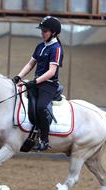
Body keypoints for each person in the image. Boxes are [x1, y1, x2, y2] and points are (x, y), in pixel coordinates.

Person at [13, 16, 63, 151]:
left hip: (49, 84)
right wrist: (18, 77)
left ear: (53, 32)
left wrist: (34, 82)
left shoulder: (56, 48)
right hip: (36, 82)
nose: (42, 33)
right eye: (41, 30)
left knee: (41, 107)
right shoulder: (40, 46)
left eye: (45, 31)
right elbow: (30, 65)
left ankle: (44, 140)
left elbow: (52, 72)